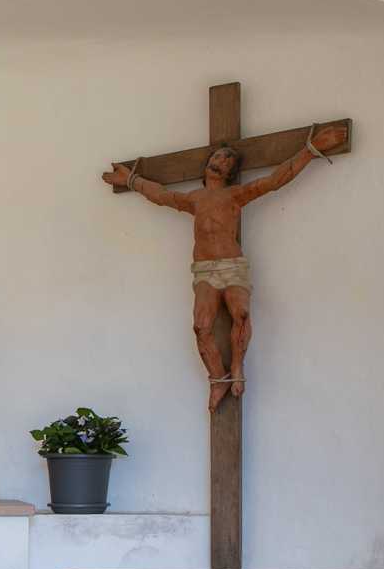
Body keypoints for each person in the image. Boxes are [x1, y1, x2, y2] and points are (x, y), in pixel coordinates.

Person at [102, 125, 348, 410]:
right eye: (216, 157)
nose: (218, 162)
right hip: (204, 270)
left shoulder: (235, 195)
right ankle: (218, 378)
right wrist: (130, 179)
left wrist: (312, 148)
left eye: (226, 161)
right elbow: (161, 195)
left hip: (232, 266)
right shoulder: (194, 198)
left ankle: (238, 368)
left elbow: (274, 180)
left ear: (231, 172)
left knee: (241, 314)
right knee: (200, 327)